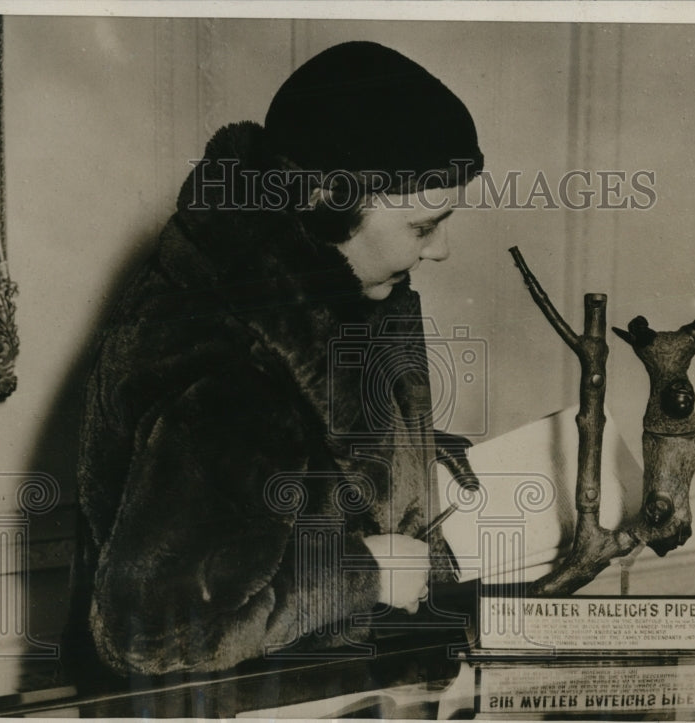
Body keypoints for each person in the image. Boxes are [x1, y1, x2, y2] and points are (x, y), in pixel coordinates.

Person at [68, 41, 485, 676]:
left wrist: (417, 457)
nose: (441, 249)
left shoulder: (333, 289)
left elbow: (304, 477)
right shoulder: (233, 358)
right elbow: (152, 633)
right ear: (326, 199)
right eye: (424, 227)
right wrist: (366, 574)